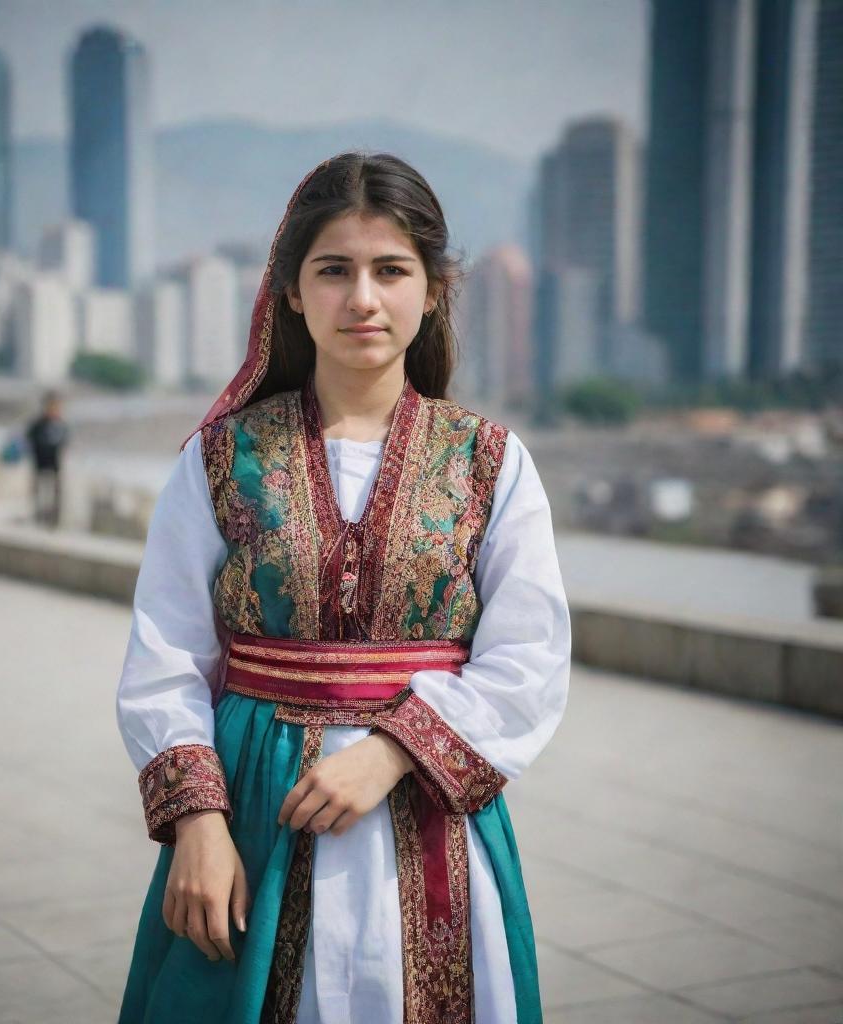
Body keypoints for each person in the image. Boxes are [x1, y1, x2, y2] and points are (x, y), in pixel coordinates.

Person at [115, 152, 571, 1024]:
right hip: (253, 808)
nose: (362, 298)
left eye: (391, 270)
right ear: (290, 290)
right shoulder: (220, 459)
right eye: (334, 270)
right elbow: (166, 650)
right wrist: (197, 825)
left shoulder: (491, 463)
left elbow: (529, 657)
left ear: (433, 290)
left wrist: (396, 749)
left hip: (431, 820)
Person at [25, 391, 69, 527]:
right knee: (39, 492)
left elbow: (65, 441)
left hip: (55, 465)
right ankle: (39, 517)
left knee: (56, 494)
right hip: (40, 463)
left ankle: (54, 520)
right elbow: (30, 438)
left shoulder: (61, 424)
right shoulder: (38, 424)